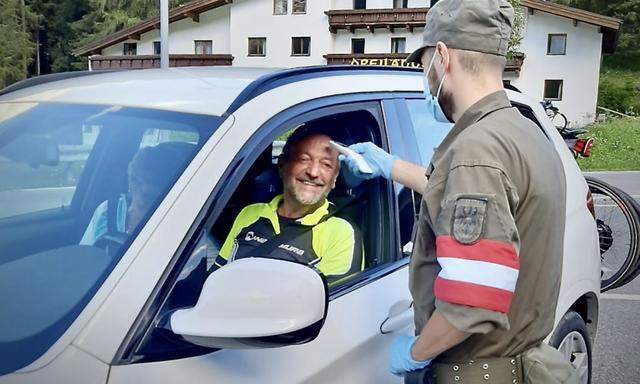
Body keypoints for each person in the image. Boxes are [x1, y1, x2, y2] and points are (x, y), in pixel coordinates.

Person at [341, 0, 577, 382]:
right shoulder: (525, 133)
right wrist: (390, 166)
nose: (425, 79)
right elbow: (460, 193)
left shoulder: (475, 151)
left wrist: (416, 353)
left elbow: (472, 299)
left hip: (477, 371)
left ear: (442, 57)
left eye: (423, 66)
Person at [213, 127, 363, 282]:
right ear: (282, 166)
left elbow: (332, 303)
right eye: (304, 159)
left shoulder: (340, 232)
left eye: (326, 165)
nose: (313, 172)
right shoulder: (249, 213)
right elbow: (216, 276)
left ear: (334, 179)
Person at [80, 143, 192, 245]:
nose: (144, 189)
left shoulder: (178, 222)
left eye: (154, 182)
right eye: (137, 181)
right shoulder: (108, 211)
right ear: (130, 181)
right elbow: (86, 256)